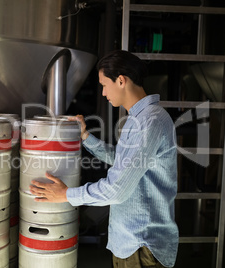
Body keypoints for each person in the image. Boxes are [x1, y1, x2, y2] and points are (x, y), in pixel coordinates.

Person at [30, 50, 179, 268]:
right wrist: (85, 137)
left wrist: (66, 195)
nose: (102, 93)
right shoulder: (139, 118)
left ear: (121, 80)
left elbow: (117, 190)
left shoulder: (149, 122)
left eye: (104, 84)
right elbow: (123, 161)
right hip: (130, 242)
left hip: (141, 245)